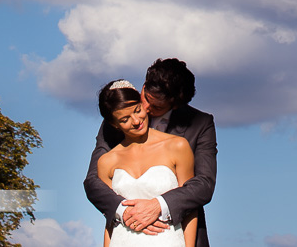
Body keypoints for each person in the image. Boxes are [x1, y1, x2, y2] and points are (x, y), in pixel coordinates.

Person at [85, 59, 217, 247]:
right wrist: (124, 212)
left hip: (172, 234)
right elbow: (93, 182)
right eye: (145, 98)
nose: (145, 110)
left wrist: (159, 206)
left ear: (174, 105)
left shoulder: (197, 127)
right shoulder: (116, 118)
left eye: (156, 107)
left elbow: (202, 185)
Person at [96, 80, 196, 246]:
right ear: (114, 124)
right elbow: (110, 220)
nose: (136, 121)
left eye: (137, 110)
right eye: (125, 119)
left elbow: (190, 207)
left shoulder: (177, 146)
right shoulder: (107, 162)